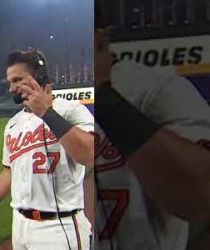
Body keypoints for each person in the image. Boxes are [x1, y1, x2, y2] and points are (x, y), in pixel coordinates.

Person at [94, 2, 210, 249]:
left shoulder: (155, 89)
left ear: (101, 39)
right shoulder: (44, 104)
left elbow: (203, 195)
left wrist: (103, 96)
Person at [0, 50, 95, 250]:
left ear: (39, 77)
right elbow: (9, 170)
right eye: (10, 82)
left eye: (17, 80)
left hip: (58, 227)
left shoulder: (70, 110)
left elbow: (90, 154)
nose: (11, 88)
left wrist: (46, 112)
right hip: (21, 225)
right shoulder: (14, 124)